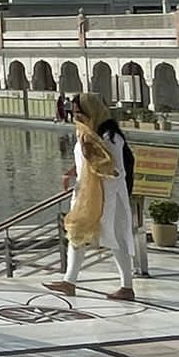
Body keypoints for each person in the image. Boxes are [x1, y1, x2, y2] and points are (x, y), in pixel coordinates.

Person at [48, 94, 136, 302]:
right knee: (76, 233)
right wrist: (72, 172)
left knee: (115, 239)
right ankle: (69, 282)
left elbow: (115, 170)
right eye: (74, 112)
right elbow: (84, 161)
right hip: (86, 195)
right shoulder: (86, 132)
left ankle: (127, 287)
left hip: (109, 196)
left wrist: (91, 158)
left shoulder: (110, 137)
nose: (76, 116)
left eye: (80, 112)